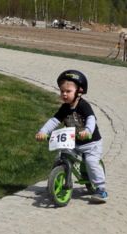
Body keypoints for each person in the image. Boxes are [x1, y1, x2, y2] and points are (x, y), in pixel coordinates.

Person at [35, 70, 108, 203]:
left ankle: (101, 189)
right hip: (73, 142)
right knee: (61, 156)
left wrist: (87, 130)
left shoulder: (83, 106)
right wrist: (43, 132)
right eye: (62, 91)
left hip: (91, 143)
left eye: (68, 91)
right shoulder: (64, 108)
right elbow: (54, 121)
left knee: (91, 162)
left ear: (79, 92)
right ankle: (56, 181)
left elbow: (91, 119)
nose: (64, 94)